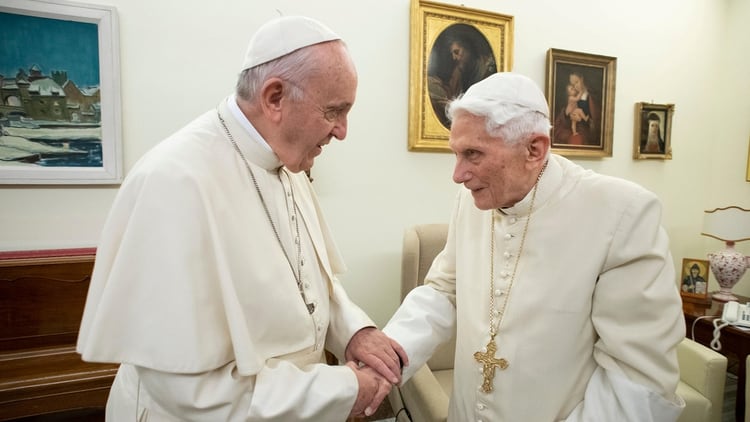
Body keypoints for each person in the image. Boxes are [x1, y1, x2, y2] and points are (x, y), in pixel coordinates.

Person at [76, 16, 407, 421]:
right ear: (274, 98)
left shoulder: (287, 161)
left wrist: (355, 330)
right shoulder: (174, 181)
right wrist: (342, 390)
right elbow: (192, 393)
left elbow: (312, 282)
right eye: (334, 111)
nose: (342, 131)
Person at [384, 72, 686, 421]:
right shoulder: (469, 201)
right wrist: (386, 357)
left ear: (534, 149)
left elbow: (638, 379)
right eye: (456, 154)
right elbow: (443, 290)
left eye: (473, 154)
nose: (458, 174)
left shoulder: (622, 214)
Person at [553, 71, 601, 146]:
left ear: (582, 79)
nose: (575, 86)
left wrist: (582, 120)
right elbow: (561, 120)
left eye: (576, 82)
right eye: (573, 84)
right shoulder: (573, 97)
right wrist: (567, 115)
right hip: (574, 130)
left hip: (586, 133)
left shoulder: (592, 97)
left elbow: (597, 122)